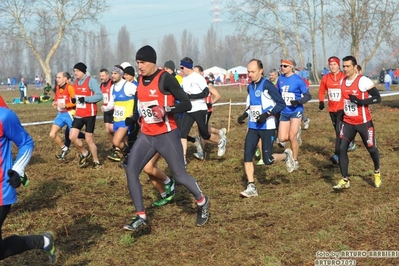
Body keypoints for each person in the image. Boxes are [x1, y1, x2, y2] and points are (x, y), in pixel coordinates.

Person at [123, 45, 210, 230]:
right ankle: (141, 216)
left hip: (167, 134)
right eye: (137, 62)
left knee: (179, 174)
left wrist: (166, 109)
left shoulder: (166, 78)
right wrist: (134, 117)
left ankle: (202, 201)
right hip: (147, 135)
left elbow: (186, 104)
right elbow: (140, 100)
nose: (140, 66)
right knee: (131, 170)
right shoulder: (139, 79)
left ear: (152, 62)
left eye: (143, 62)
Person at [0, 96, 58, 264]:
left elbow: (26, 143)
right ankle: (44, 241)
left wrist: (18, 169)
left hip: (2, 190)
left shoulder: (4, 117)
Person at [237, 59, 292, 197]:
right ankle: (251, 186)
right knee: (247, 156)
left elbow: (281, 104)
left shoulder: (267, 85)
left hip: (267, 127)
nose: (250, 74)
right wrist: (244, 115)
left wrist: (267, 114)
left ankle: (286, 155)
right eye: (248, 72)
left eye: (253, 71)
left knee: (267, 160)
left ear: (261, 71)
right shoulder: (249, 87)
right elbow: (252, 105)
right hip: (253, 126)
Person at [333, 55, 381, 190]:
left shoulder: (363, 81)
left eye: (348, 66)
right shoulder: (342, 82)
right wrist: (340, 116)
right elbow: (345, 102)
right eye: (344, 66)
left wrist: (360, 101)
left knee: (371, 148)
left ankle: (377, 171)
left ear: (355, 67)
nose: (345, 69)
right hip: (348, 122)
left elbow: (378, 98)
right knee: (341, 148)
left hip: (364, 122)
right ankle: (345, 179)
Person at [179, 57, 226, 164]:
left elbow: (206, 93)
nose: (181, 69)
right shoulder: (184, 79)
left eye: (182, 67)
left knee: (204, 134)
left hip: (200, 109)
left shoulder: (198, 78)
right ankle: (183, 158)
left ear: (187, 67)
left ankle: (220, 142)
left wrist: (191, 96)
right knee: (183, 133)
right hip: (188, 110)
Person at [277, 58, 311, 171]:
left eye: (285, 66)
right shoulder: (280, 79)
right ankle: (295, 136)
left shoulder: (298, 80)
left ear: (291, 67)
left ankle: (295, 160)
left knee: (292, 136)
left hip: (296, 111)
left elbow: (308, 96)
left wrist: (298, 101)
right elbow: (277, 93)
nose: (282, 67)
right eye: (281, 65)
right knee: (282, 138)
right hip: (284, 111)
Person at [69, 62, 103, 169]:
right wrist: (74, 100)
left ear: (83, 71)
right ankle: (84, 153)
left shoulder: (90, 81)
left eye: (77, 71)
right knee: (72, 137)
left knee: (89, 140)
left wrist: (86, 99)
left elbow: (99, 96)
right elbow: (78, 97)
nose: (75, 73)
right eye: (74, 71)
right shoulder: (76, 82)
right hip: (79, 114)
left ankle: (96, 161)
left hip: (89, 114)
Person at [101, 66, 136, 162]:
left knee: (116, 142)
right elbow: (112, 103)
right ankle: (128, 160)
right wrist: (106, 108)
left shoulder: (129, 86)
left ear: (121, 74)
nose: (113, 75)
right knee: (124, 141)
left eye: (115, 73)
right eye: (112, 73)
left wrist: (135, 112)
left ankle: (131, 155)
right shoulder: (112, 87)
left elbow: (139, 97)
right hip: (116, 119)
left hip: (125, 120)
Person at [192, 65, 226, 160]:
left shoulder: (207, 84)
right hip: (199, 110)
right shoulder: (195, 82)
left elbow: (218, 96)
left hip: (206, 110)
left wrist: (210, 103)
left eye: (197, 72)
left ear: (202, 73)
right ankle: (220, 132)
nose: (195, 74)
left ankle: (218, 142)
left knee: (202, 131)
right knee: (202, 129)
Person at [50, 72, 84, 160]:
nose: (57, 79)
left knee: (73, 136)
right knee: (52, 134)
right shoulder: (57, 88)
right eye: (56, 77)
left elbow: (75, 102)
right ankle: (65, 149)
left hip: (69, 114)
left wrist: (65, 106)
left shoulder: (70, 88)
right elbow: (57, 98)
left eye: (59, 77)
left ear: (65, 79)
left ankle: (85, 147)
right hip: (61, 115)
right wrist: (55, 103)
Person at [99, 68, 114, 150]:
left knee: (114, 130)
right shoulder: (101, 85)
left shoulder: (112, 83)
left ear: (107, 76)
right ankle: (114, 145)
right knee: (108, 131)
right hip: (106, 110)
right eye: (100, 76)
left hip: (113, 109)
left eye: (103, 76)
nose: (101, 77)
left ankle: (119, 145)